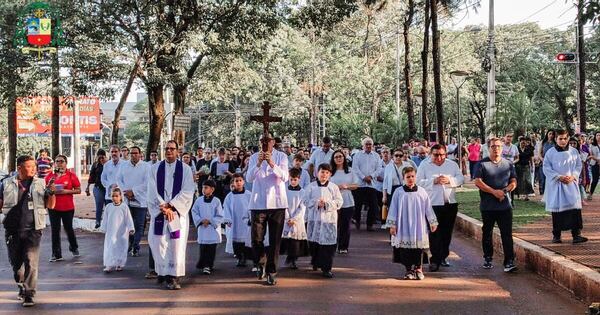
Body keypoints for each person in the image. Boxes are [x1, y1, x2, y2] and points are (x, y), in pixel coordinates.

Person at [0, 155, 56, 307]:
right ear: (19, 168)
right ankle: (21, 284)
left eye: (34, 166)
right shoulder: (5, 184)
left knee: (31, 262)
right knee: (17, 265)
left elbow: (50, 205)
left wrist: (51, 192)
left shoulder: (40, 183)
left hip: (33, 229)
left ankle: (29, 294)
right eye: (29, 166)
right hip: (12, 231)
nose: (34, 169)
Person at [147, 140, 196, 290]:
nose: (169, 151)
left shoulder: (186, 169)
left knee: (176, 244)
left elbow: (188, 191)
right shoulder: (155, 169)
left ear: (177, 151)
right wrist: (163, 207)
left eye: (172, 149)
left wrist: (171, 206)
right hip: (161, 212)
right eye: (166, 149)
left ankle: (173, 276)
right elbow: (152, 190)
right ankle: (162, 272)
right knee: (158, 242)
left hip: (176, 213)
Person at [246, 133, 289, 285]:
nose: (265, 143)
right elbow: (249, 179)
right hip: (258, 203)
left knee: (275, 240)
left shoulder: (281, 157)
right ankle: (260, 262)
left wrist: (271, 163)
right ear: (260, 142)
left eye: (268, 140)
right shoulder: (253, 157)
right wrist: (258, 163)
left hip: (277, 203)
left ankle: (272, 271)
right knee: (256, 238)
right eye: (262, 141)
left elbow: (285, 177)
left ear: (273, 142)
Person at [416, 144, 464, 272]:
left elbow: (460, 178)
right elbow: (418, 182)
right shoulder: (425, 165)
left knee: (446, 233)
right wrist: (433, 181)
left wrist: (449, 180)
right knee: (434, 233)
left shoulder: (452, 165)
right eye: (436, 155)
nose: (439, 157)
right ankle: (435, 260)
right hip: (433, 205)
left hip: (450, 204)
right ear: (431, 154)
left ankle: (443, 256)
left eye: (442, 155)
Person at [473, 137, 518, 272]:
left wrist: (504, 191)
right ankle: (488, 258)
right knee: (487, 232)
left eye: (498, 146)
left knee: (507, 234)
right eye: (493, 146)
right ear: (488, 148)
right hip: (488, 206)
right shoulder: (482, 164)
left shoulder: (508, 164)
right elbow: (478, 182)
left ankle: (509, 261)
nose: (496, 149)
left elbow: (513, 182)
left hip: (504, 206)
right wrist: (494, 192)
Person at [387, 166, 438, 280]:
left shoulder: (422, 191)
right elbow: (393, 209)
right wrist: (392, 225)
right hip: (403, 225)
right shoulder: (398, 192)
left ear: (416, 177)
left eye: (412, 176)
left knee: (419, 248)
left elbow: (428, 208)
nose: (410, 179)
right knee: (405, 249)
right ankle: (409, 270)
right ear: (403, 178)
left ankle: (419, 268)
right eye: (408, 177)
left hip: (419, 225)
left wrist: (432, 222)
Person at [543, 130, 588, 244]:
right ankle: (557, 236)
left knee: (575, 210)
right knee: (557, 211)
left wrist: (573, 176)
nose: (563, 141)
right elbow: (546, 168)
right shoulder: (550, 153)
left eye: (565, 138)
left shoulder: (574, 152)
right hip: (557, 185)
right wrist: (558, 177)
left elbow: (578, 165)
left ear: (568, 138)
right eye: (560, 139)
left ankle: (576, 235)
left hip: (571, 184)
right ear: (556, 139)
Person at [304, 163, 343, 278]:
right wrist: (316, 203)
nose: (324, 175)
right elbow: (305, 200)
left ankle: (326, 268)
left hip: (328, 220)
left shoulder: (333, 187)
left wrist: (326, 204)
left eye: (327, 173)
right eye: (322, 172)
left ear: (330, 174)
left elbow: (339, 202)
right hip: (314, 219)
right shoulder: (311, 187)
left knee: (328, 245)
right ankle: (315, 262)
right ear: (317, 173)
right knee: (314, 243)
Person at [45, 154, 81, 262]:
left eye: (61, 161)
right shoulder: (50, 176)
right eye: (57, 161)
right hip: (53, 207)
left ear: (66, 163)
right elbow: (45, 190)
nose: (59, 163)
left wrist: (66, 191)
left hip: (68, 207)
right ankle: (56, 254)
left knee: (68, 228)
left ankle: (74, 247)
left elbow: (78, 190)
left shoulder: (71, 175)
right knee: (55, 230)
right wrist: (50, 190)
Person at [115, 146, 150, 257]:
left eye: (136, 153)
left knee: (139, 226)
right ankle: (131, 244)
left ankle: (135, 246)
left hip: (141, 200)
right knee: (128, 225)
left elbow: (147, 183)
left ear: (140, 154)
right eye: (132, 153)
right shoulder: (124, 166)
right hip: (127, 200)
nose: (134, 155)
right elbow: (119, 179)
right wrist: (126, 192)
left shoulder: (146, 167)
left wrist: (133, 192)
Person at [191, 179, 223, 275]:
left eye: (206, 188)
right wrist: (200, 220)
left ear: (212, 189)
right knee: (203, 247)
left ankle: (208, 265)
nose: (203, 189)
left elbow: (220, 215)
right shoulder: (199, 200)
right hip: (203, 228)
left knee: (211, 248)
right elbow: (194, 211)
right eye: (202, 187)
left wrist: (210, 221)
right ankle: (204, 264)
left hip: (212, 229)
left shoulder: (216, 201)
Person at [330, 149, 359, 254]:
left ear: (344, 158)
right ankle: (331, 245)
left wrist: (346, 186)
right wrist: (336, 187)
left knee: (345, 226)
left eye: (340, 156)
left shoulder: (350, 171)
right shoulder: (330, 172)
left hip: (347, 202)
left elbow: (356, 185)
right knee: (333, 225)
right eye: (336, 157)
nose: (338, 159)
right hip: (333, 203)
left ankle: (343, 246)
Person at [100, 187, 135, 273]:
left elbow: (128, 219)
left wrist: (131, 228)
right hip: (111, 231)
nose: (114, 198)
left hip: (122, 232)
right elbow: (105, 219)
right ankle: (109, 264)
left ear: (120, 197)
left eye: (116, 196)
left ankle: (120, 264)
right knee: (110, 246)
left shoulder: (124, 207)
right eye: (112, 196)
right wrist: (103, 228)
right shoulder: (108, 207)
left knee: (121, 247)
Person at [280, 168, 309, 269]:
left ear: (299, 179)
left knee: (295, 242)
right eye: (291, 179)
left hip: (297, 220)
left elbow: (302, 207)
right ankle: (287, 257)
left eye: (295, 179)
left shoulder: (303, 192)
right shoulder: (284, 190)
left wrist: (294, 219)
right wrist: (288, 217)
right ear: (288, 178)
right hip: (286, 219)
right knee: (286, 240)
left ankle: (293, 260)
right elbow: (283, 204)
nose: (293, 182)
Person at [352, 137, 382, 231]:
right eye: (366, 144)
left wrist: (371, 176)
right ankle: (357, 221)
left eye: (370, 144)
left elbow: (379, 169)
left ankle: (370, 224)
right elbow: (355, 168)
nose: (368, 146)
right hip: (360, 184)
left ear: (372, 146)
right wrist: (363, 177)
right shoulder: (357, 155)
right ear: (363, 146)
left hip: (371, 184)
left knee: (373, 205)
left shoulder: (376, 156)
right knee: (358, 205)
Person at [223, 174, 252, 267]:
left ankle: (245, 257)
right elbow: (226, 208)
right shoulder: (229, 196)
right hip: (234, 221)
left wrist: (251, 218)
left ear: (243, 181)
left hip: (245, 221)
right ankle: (239, 258)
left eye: (240, 180)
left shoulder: (248, 194)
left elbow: (252, 207)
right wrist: (227, 219)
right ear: (233, 183)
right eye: (236, 181)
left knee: (246, 240)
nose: (238, 183)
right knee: (236, 241)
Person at [86, 149, 107, 229]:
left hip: (107, 188)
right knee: (99, 204)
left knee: (108, 205)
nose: (101, 158)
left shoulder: (108, 164)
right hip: (98, 187)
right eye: (99, 156)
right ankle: (98, 221)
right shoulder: (95, 165)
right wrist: (87, 187)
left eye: (102, 156)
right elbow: (91, 176)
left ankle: (106, 221)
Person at [539, 130, 556, 196]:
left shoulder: (555, 143)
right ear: (547, 134)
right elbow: (539, 153)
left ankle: (550, 194)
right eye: (550, 134)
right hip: (543, 163)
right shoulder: (543, 142)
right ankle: (542, 194)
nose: (551, 135)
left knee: (550, 179)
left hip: (552, 164)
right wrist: (542, 159)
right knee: (542, 179)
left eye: (552, 134)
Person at [587, 132, 600, 201]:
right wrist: (598, 160)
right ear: (595, 136)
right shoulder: (592, 145)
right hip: (595, 164)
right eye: (597, 135)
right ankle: (590, 194)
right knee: (595, 179)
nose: (599, 136)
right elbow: (591, 155)